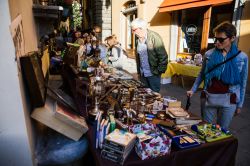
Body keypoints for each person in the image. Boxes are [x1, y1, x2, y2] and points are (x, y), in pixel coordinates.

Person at [187, 22, 248, 130]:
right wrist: (193, 89)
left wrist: (240, 105)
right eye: (216, 39)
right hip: (209, 96)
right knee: (206, 128)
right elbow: (202, 74)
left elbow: (243, 82)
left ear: (232, 38)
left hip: (230, 99)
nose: (217, 42)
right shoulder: (209, 54)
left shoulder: (242, 57)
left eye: (221, 39)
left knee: (222, 131)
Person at [131, 18, 168, 92]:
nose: (133, 32)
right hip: (143, 74)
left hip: (153, 74)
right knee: (144, 94)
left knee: (154, 95)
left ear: (141, 28)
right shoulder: (137, 40)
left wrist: (158, 72)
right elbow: (138, 58)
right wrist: (139, 72)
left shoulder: (154, 37)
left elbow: (163, 57)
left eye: (134, 30)